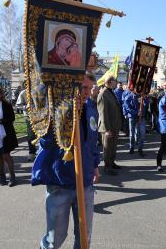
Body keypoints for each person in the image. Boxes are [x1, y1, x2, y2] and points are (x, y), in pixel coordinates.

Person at [32, 72, 100, 248]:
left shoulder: (91, 107)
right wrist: (67, 112)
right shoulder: (55, 107)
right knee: (55, 238)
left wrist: (95, 165)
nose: (87, 92)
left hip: (85, 183)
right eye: (83, 88)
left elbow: (92, 141)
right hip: (60, 182)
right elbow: (45, 142)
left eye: (90, 88)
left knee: (84, 238)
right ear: (71, 87)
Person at [97, 75, 123, 176]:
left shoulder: (110, 92)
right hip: (108, 126)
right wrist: (107, 129)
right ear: (110, 82)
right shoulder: (103, 93)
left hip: (114, 125)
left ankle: (112, 163)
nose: (116, 83)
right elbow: (103, 113)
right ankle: (107, 167)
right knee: (107, 147)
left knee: (113, 146)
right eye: (115, 81)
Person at [16, 80, 37, 162]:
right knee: (31, 136)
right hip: (29, 117)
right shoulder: (23, 93)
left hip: (41, 117)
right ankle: (32, 153)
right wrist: (26, 107)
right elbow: (18, 105)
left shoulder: (39, 92)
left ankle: (42, 152)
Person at [124, 90, 148, 156]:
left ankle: (140, 149)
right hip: (132, 117)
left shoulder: (142, 96)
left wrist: (145, 99)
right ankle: (131, 147)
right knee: (132, 133)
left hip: (141, 117)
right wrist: (136, 112)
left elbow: (145, 106)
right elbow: (127, 107)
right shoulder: (128, 97)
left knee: (142, 133)